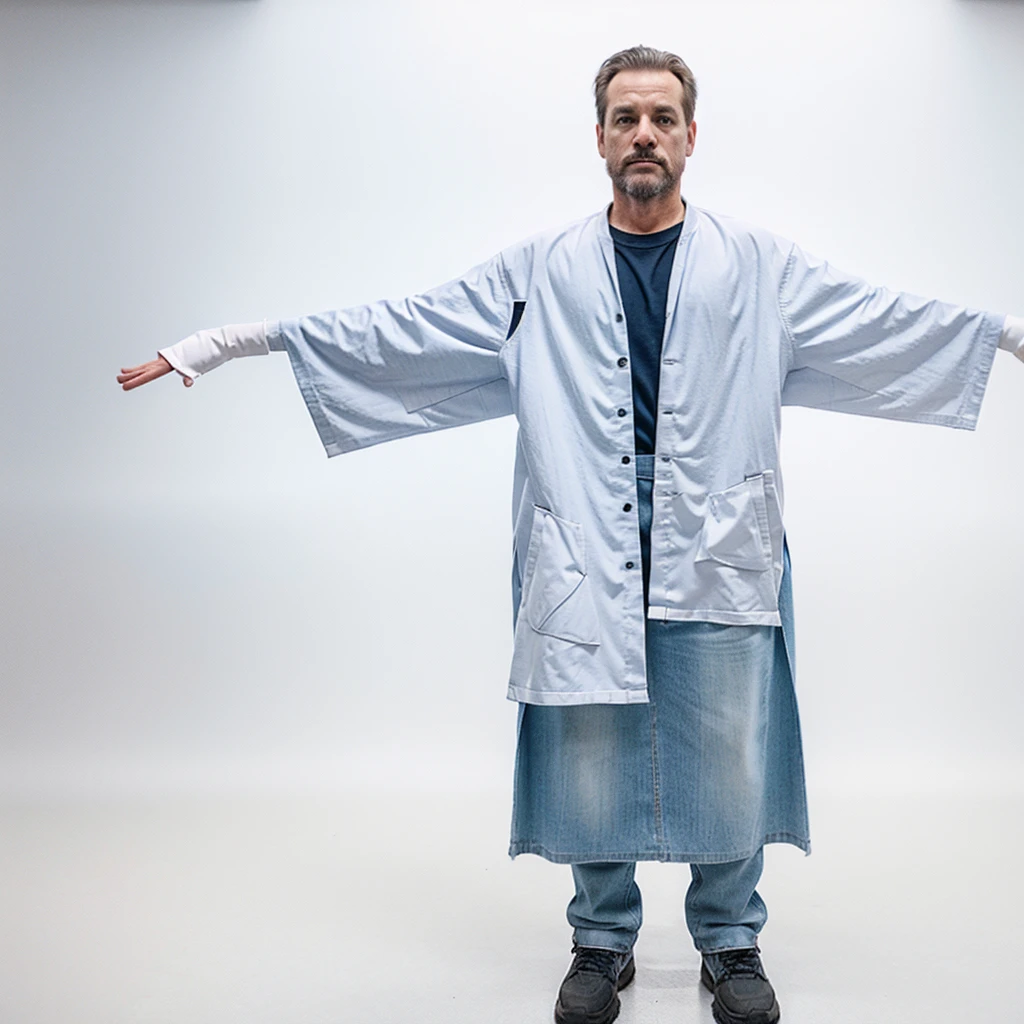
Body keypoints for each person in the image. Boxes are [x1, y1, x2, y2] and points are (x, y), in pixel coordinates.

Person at [117, 44, 1024, 1024]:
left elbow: (886, 319)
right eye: (625, 116)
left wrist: (1009, 332)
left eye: (661, 117)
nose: (643, 133)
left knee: (727, 738)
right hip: (585, 533)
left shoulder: (761, 266)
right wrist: (228, 342)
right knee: (592, 735)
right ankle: (601, 940)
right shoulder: (536, 270)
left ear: (688, 135)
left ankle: (729, 939)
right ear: (599, 135)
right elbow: (401, 327)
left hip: (714, 529)